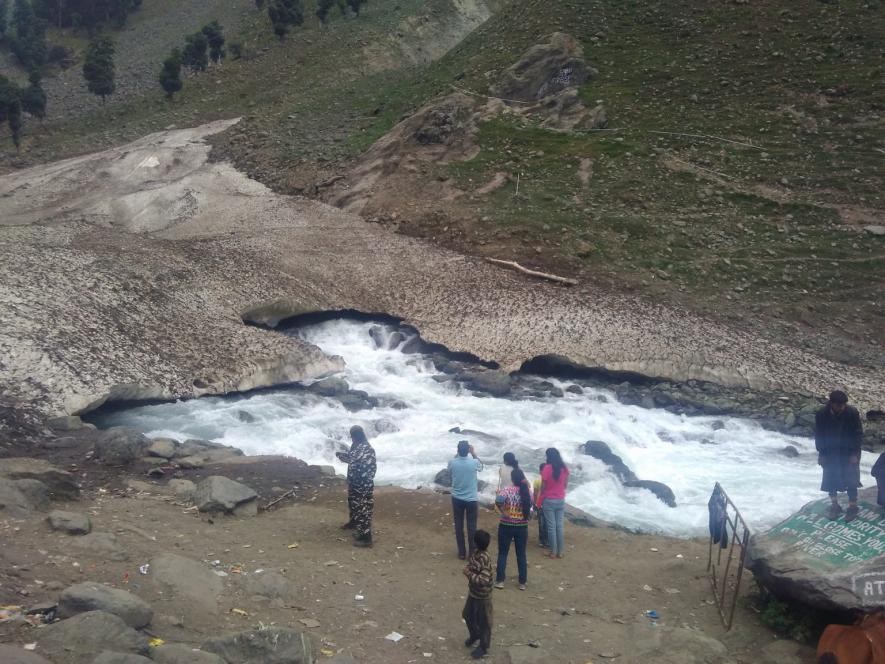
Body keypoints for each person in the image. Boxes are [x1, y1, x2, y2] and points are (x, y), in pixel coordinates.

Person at [815, 390, 863, 522]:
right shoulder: (821, 414)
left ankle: (852, 507)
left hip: (849, 451)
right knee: (830, 477)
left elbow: (858, 434)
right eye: (839, 405)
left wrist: (854, 454)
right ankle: (835, 505)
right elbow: (819, 434)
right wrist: (821, 453)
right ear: (831, 403)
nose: (841, 407)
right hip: (830, 451)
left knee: (851, 479)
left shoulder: (851, 412)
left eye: (843, 405)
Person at [336, 425, 377, 547]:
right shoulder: (358, 445)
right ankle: (355, 525)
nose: (352, 438)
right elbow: (354, 460)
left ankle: (366, 539)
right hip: (355, 483)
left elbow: (363, 466)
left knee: (363, 509)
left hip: (362, 484)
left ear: (356, 436)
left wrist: (348, 459)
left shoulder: (366, 449)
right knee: (354, 504)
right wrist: (343, 456)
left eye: (352, 436)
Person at [494, 468, 532, 591]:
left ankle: (500, 581)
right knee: (521, 555)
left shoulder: (506, 490)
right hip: (522, 526)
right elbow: (531, 503)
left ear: (512, 479)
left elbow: (498, 501)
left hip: (506, 524)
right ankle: (522, 582)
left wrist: (504, 511)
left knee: (503, 553)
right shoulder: (527, 492)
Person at [448, 440, 483, 559]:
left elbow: (449, 469)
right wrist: (473, 453)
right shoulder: (474, 462)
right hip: (471, 499)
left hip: (457, 498)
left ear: (458, 450)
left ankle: (462, 552)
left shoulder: (452, 462)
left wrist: (458, 454)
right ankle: (472, 553)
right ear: (468, 450)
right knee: (471, 526)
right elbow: (481, 467)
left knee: (459, 526)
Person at [462, 529, 494, 660]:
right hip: (473, 593)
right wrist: (469, 568)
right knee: (467, 615)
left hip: (483, 596)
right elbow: (472, 565)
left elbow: (483, 581)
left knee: (484, 622)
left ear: (475, 542)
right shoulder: (475, 554)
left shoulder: (485, 558)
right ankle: (475, 635)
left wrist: (468, 574)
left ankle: (483, 646)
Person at [540, 447, 569, 559]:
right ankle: (560, 552)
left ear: (548, 456)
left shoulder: (547, 468)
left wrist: (541, 495)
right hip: (561, 499)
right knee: (559, 526)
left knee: (551, 527)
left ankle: (553, 551)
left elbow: (543, 486)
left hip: (549, 500)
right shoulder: (564, 467)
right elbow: (566, 485)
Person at [533, 463, 548, 548]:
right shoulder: (549, 481)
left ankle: (542, 541)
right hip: (546, 504)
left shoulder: (537, 481)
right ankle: (546, 541)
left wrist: (535, 504)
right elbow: (535, 493)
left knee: (541, 524)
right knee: (547, 523)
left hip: (540, 505)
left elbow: (535, 494)